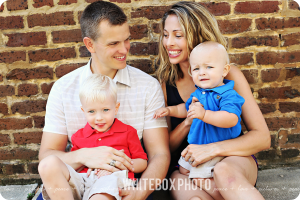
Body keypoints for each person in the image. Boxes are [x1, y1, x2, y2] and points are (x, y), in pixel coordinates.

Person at [38, 1, 170, 200]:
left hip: (121, 183)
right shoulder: (64, 88)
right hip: (80, 179)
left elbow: (159, 154)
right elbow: (47, 155)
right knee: (49, 167)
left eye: (126, 40)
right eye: (113, 43)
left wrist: (137, 194)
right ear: (90, 44)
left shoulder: (147, 86)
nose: (124, 50)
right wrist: (84, 156)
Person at [156, 1, 270, 200]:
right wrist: (188, 121)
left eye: (178, 35)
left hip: (232, 159)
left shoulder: (229, 75)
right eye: (166, 35)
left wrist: (212, 150)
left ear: (197, 36)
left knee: (224, 172)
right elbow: (166, 147)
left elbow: (262, 138)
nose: (168, 43)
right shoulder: (166, 83)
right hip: (191, 167)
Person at [39, 74, 148, 200]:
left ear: (116, 108)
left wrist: (116, 167)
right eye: (91, 111)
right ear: (83, 110)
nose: (99, 117)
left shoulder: (128, 132)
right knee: (47, 164)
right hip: (83, 181)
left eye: (105, 110)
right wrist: (83, 160)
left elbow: (142, 162)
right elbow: (75, 166)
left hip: (111, 180)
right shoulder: (79, 136)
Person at [155, 41, 245, 191]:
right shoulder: (198, 93)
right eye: (196, 69)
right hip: (198, 146)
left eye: (209, 67)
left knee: (199, 175)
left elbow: (231, 119)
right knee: (183, 170)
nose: (202, 72)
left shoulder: (228, 94)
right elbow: (186, 109)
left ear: (224, 70)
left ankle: (216, 190)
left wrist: (204, 114)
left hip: (219, 147)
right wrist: (170, 110)